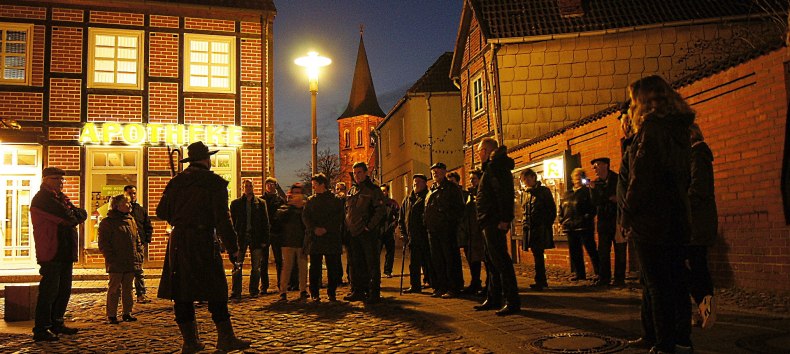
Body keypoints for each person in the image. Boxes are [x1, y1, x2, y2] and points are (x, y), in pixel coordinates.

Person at [621, 75, 694, 354]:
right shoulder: (680, 128)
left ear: (644, 101)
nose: (630, 106)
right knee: (676, 281)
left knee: (656, 285)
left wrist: (628, 212)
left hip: (651, 218)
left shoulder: (652, 129)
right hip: (677, 215)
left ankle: (664, 344)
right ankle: (681, 339)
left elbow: (641, 176)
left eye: (632, 101)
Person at [156, 141, 250, 352]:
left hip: (179, 241)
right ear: (207, 159)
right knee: (216, 290)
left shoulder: (176, 182)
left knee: (182, 293)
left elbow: (162, 212)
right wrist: (234, 248)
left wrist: (179, 216)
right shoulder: (214, 183)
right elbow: (223, 220)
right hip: (203, 240)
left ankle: (190, 342)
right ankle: (225, 338)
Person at [30, 167, 88, 341]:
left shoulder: (61, 198)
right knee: (49, 291)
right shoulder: (43, 199)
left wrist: (75, 215)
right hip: (51, 250)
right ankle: (41, 328)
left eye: (62, 180)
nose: (61, 182)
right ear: (46, 180)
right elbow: (69, 217)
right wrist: (74, 215)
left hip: (65, 251)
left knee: (64, 290)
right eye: (57, 179)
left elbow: (80, 213)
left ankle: (57, 322)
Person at [474, 138, 521, 316]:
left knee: (501, 261)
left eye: (479, 151)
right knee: (491, 262)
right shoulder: (492, 167)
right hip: (488, 220)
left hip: (494, 220)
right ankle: (493, 298)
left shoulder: (496, 167)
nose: (478, 154)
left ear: (486, 151)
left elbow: (504, 194)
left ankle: (512, 301)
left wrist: (504, 218)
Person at [687, 123, 718, 329]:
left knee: (695, 265)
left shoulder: (698, 155)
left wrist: (680, 201)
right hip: (697, 222)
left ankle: (706, 305)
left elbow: (698, 189)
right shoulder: (697, 155)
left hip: (696, 223)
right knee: (695, 265)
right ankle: (702, 307)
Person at [343, 162, 387, 304]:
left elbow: (380, 211)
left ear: (366, 172)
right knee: (355, 263)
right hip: (353, 233)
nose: (357, 175)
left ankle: (374, 292)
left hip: (367, 233)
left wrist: (369, 226)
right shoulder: (352, 190)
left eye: (359, 172)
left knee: (371, 263)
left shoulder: (373, 190)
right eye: (355, 173)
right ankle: (358, 290)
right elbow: (348, 211)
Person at [98, 194, 143, 324]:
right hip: (116, 261)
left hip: (131, 260)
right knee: (114, 288)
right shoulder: (108, 222)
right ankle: (111, 314)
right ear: (117, 206)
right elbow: (104, 243)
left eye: (129, 203)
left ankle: (127, 313)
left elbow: (137, 239)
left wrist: (139, 254)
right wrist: (110, 257)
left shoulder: (131, 220)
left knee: (128, 288)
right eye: (126, 203)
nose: (129, 205)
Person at [424, 162, 465, 299]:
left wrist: (448, 221)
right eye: (433, 171)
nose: (435, 173)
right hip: (433, 230)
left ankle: (454, 287)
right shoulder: (432, 189)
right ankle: (441, 286)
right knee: (438, 260)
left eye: (438, 171)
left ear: (444, 172)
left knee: (450, 259)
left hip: (446, 230)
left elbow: (459, 209)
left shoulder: (451, 188)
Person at [303, 174, 345, 302]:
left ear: (322, 185)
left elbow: (339, 217)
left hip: (330, 237)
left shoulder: (335, 200)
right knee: (315, 267)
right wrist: (314, 228)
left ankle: (331, 292)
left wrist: (325, 228)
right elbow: (306, 217)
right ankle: (314, 292)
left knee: (332, 267)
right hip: (316, 237)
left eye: (315, 185)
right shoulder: (311, 201)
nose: (313, 188)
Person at [229, 179, 270, 299]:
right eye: (245, 186)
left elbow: (265, 223)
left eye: (249, 186)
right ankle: (236, 291)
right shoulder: (236, 204)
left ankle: (254, 290)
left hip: (256, 237)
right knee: (237, 265)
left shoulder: (260, 203)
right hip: (240, 238)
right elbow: (232, 223)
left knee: (256, 266)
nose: (247, 188)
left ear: (253, 187)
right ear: (242, 188)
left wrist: (265, 240)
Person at [590, 158, 626, 287]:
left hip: (617, 220)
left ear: (606, 165)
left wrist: (615, 199)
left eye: (597, 165)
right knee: (603, 251)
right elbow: (595, 202)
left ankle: (619, 279)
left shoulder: (617, 179)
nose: (595, 169)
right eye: (594, 167)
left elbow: (621, 196)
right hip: (603, 221)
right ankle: (604, 277)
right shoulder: (595, 184)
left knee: (620, 250)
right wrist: (604, 196)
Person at [559, 168, 600, 282]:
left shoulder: (587, 191)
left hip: (584, 226)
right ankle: (579, 273)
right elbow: (561, 207)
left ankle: (598, 272)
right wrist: (562, 219)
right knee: (575, 251)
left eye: (579, 176)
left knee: (591, 249)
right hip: (570, 226)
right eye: (575, 176)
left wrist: (586, 217)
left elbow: (593, 207)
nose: (577, 178)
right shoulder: (568, 193)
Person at [520, 168, 557, 291]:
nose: (525, 181)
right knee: (536, 254)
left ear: (533, 178)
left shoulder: (543, 191)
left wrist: (545, 223)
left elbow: (552, 209)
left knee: (538, 254)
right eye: (524, 179)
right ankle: (540, 280)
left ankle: (541, 280)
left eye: (527, 178)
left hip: (540, 228)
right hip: (529, 228)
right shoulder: (526, 193)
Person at [399, 174, 432, 293]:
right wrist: (403, 233)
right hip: (412, 236)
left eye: (418, 182)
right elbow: (401, 217)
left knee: (428, 261)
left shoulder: (427, 197)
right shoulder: (408, 199)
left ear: (424, 183)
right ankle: (415, 285)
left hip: (424, 235)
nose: (415, 184)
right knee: (414, 263)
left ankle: (432, 282)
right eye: (414, 182)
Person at [275, 183, 308, 301]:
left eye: (298, 193)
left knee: (303, 267)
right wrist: (291, 206)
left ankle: (303, 289)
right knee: (287, 267)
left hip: (301, 241)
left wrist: (302, 208)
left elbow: (308, 222)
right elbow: (279, 217)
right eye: (294, 193)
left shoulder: (305, 208)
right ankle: (283, 290)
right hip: (288, 241)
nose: (296, 195)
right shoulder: (286, 207)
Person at [123, 185, 153, 304]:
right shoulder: (121, 210)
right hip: (125, 245)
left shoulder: (141, 210)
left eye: (134, 193)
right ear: (125, 194)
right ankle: (125, 295)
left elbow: (148, 226)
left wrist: (146, 241)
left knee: (139, 271)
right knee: (126, 272)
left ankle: (141, 294)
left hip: (139, 245)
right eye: (130, 193)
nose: (132, 195)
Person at [457, 170, 485, 295]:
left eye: (474, 178)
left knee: (485, 259)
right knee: (473, 259)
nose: (471, 180)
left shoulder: (482, 192)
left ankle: (490, 285)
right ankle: (475, 282)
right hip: (470, 231)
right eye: (470, 178)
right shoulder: (470, 194)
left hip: (480, 231)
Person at [263, 177, 292, 293]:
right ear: (265, 186)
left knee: (279, 260)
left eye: (272, 184)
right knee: (263, 261)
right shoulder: (261, 200)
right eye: (268, 184)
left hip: (277, 233)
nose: (270, 186)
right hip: (265, 233)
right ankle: (264, 286)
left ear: (275, 186)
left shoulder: (280, 200)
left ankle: (281, 284)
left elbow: (284, 217)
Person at [380, 184, 399, 278]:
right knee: (375, 253)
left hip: (389, 231)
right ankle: (375, 271)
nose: (382, 192)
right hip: (378, 231)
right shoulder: (376, 202)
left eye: (384, 190)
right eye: (381, 191)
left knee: (390, 252)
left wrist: (394, 225)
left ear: (387, 191)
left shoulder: (392, 203)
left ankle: (388, 271)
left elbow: (398, 215)